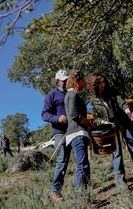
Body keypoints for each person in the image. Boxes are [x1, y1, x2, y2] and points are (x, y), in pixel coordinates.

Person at [87, 73, 133, 187]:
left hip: (125, 123)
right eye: (101, 83)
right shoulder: (94, 101)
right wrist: (105, 123)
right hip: (111, 128)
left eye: (104, 82)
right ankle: (120, 182)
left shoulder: (112, 92)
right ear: (95, 84)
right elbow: (97, 117)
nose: (103, 85)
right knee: (116, 153)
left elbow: (122, 102)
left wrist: (128, 111)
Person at [41, 69, 69, 202]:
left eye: (66, 80)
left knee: (70, 160)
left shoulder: (70, 93)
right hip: (59, 132)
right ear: (58, 80)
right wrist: (58, 118)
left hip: (73, 130)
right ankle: (55, 191)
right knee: (61, 160)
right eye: (63, 80)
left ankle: (81, 186)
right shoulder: (51, 95)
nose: (65, 82)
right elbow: (44, 115)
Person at [64, 70, 91, 191]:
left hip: (78, 133)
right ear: (76, 81)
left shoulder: (71, 95)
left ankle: (85, 192)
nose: (84, 84)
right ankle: (80, 197)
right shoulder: (72, 95)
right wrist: (88, 121)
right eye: (83, 81)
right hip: (77, 133)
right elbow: (74, 115)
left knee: (84, 164)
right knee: (82, 165)